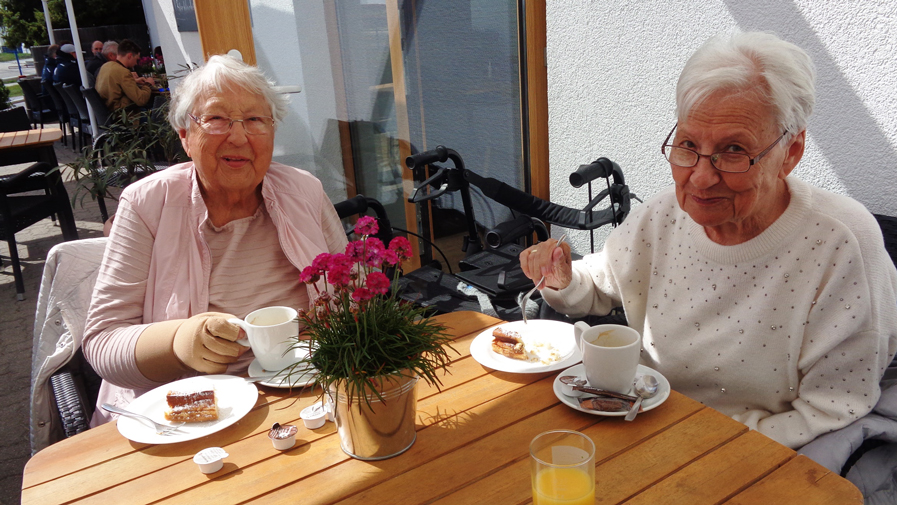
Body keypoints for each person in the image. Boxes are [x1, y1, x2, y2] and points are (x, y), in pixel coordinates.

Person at [521, 31, 897, 450]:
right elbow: (604, 279)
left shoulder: (842, 245)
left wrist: (698, 443)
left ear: (791, 151)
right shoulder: (665, 214)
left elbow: (833, 409)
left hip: (752, 454)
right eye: (687, 145)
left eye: (733, 150)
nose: (701, 177)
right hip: (639, 417)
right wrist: (562, 277)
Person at [82, 55, 348, 425]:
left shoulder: (304, 190)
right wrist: (178, 342)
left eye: (255, 119)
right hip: (195, 417)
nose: (238, 136)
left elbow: (355, 288)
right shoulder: (148, 203)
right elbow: (102, 344)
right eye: (217, 119)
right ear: (185, 136)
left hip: (313, 396)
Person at [95, 39, 155, 112]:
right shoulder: (123, 72)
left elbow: (115, 85)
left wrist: (134, 81)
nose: (136, 63)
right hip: (124, 116)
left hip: (108, 112)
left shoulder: (106, 66)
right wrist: (148, 84)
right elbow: (141, 100)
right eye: (136, 59)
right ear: (129, 56)